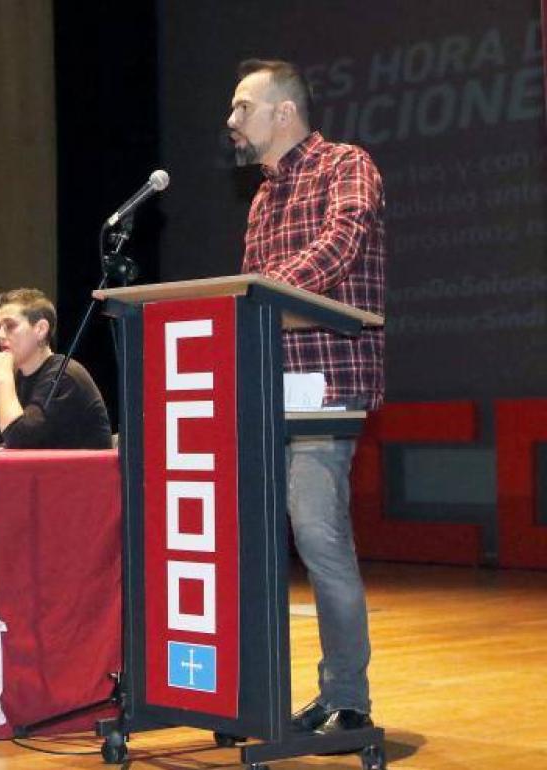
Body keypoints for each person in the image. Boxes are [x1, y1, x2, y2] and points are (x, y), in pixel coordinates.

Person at [227, 58, 385, 735]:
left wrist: (261, 296)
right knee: (256, 548)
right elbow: (251, 287)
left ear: (282, 113)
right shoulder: (263, 198)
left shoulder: (345, 166)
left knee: (320, 541)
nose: (230, 121)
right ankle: (266, 696)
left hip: (327, 389)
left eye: (242, 108)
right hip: (267, 393)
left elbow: (340, 244)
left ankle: (348, 698)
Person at [0, 288, 112, 450]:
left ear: (40, 329)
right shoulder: (9, 376)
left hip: (83, 474)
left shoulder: (64, 375)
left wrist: (4, 377)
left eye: (10, 326)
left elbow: (19, 438)